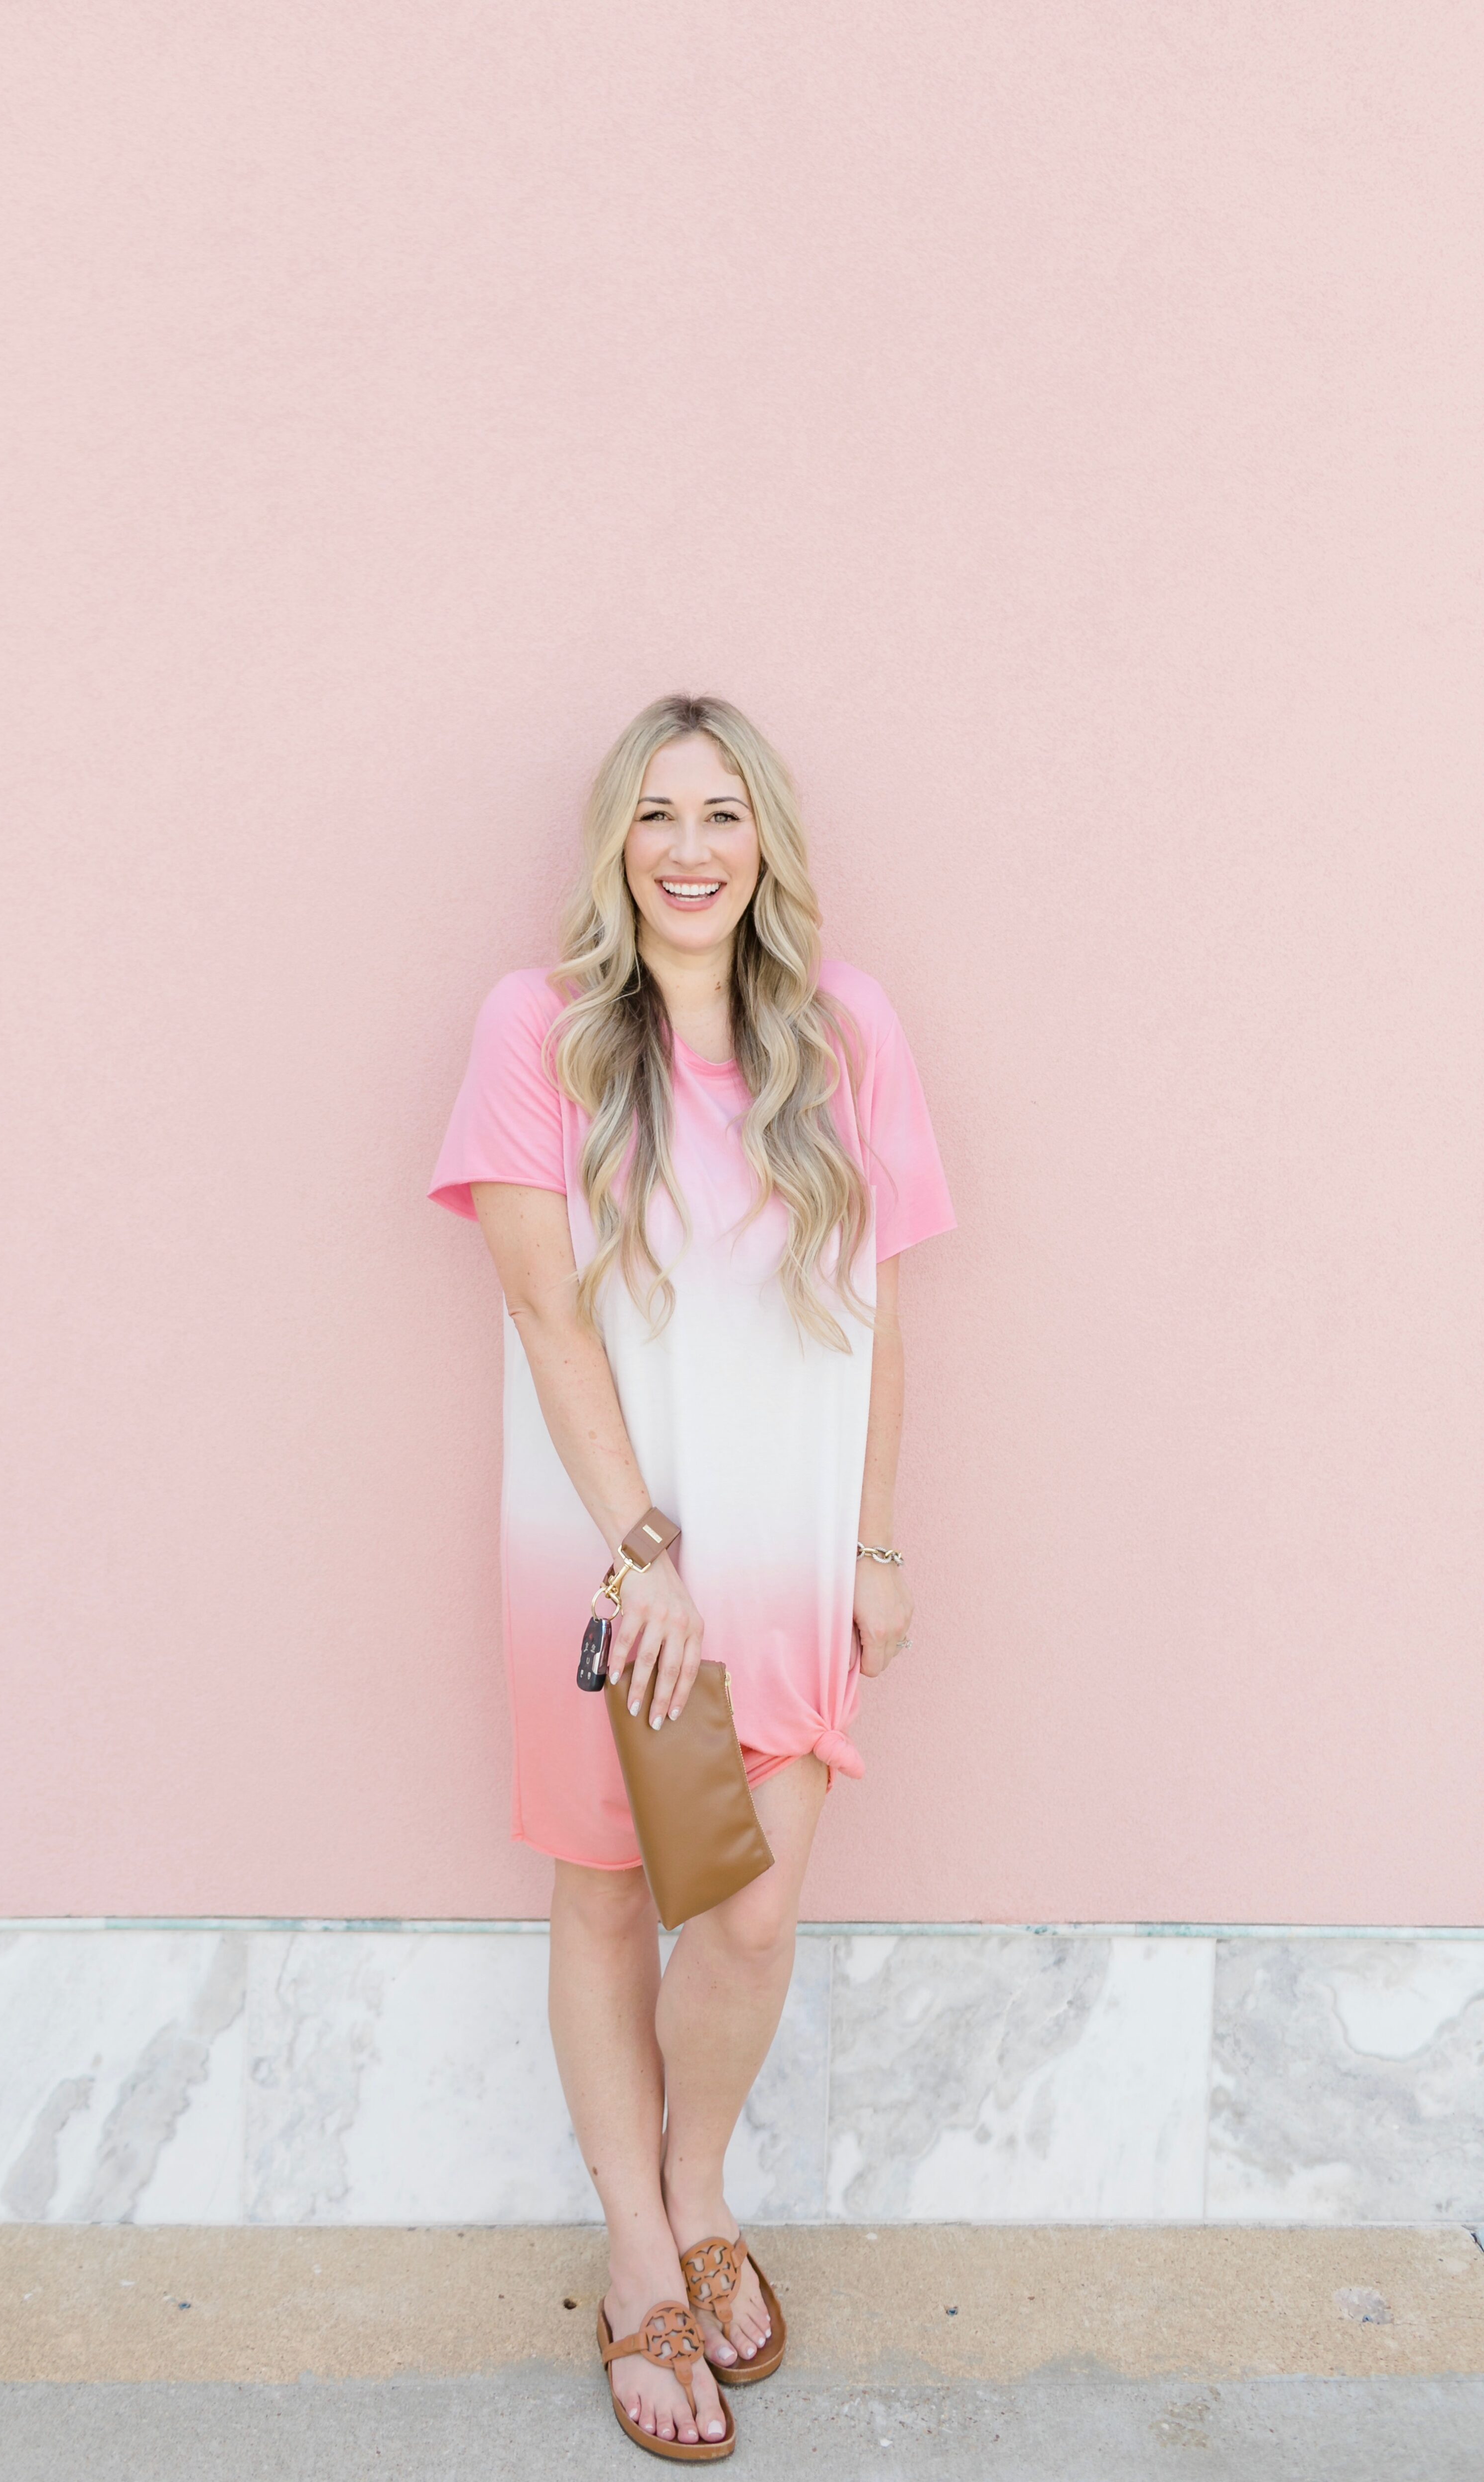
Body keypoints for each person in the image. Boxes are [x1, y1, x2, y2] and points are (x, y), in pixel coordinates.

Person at [430, 694, 954, 2459]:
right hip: (602, 1565)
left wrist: (873, 1544)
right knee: (601, 1895)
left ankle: (700, 2183)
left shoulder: (847, 1030)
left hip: (792, 1553)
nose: (689, 850)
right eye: (656, 816)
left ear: (766, 845)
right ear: (615, 848)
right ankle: (645, 2253)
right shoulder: (545, 1031)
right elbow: (541, 1310)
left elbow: (879, 1320)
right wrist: (640, 1547)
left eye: (723, 815)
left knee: (746, 1910)